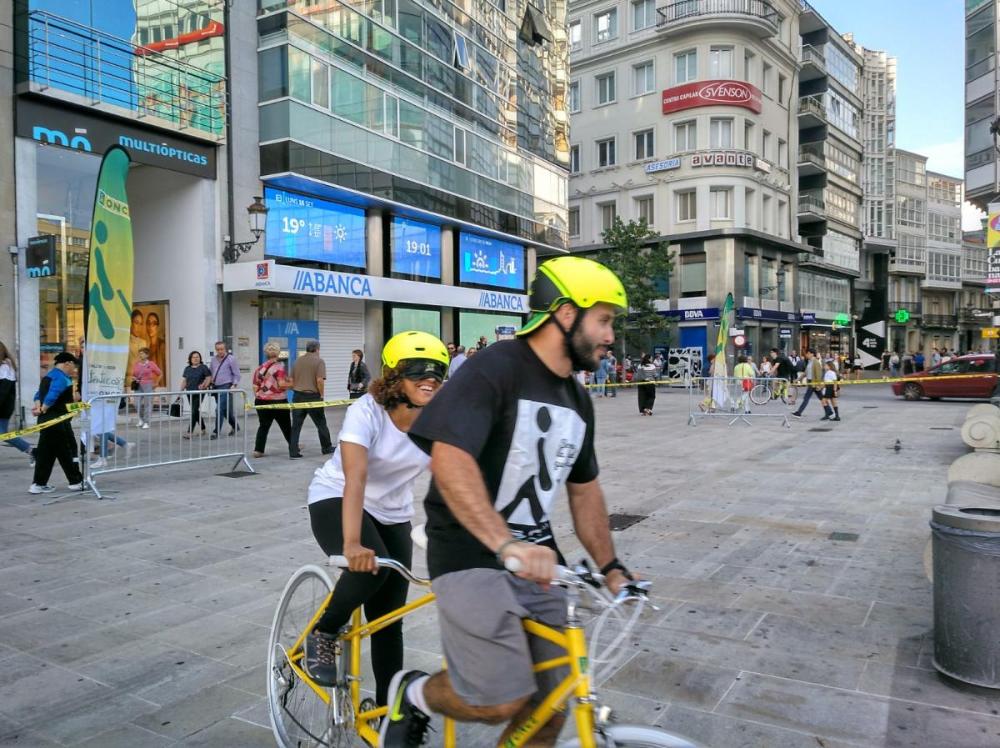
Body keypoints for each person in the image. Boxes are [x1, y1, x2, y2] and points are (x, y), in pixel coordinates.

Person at [380, 256, 636, 747]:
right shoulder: (497, 367)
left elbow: (584, 490)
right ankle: (413, 694)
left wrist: (611, 565)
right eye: (603, 320)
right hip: (471, 552)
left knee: (551, 705)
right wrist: (504, 544)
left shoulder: (578, 400)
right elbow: (450, 458)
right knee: (497, 700)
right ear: (565, 314)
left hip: (537, 561)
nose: (609, 335)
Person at [303, 331, 448, 706]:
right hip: (336, 497)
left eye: (437, 371)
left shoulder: (439, 421)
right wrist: (352, 544)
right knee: (372, 568)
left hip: (393, 511)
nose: (429, 378)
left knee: (389, 619)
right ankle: (322, 633)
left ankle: (387, 715)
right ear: (392, 375)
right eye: (417, 371)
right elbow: (356, 478)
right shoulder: (366, 411)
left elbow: (455, 483)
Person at [29, 352, 83, 494]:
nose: (74, 369)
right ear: (67, 363)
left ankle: (38, 484)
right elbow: (53, 395)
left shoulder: (49, 375)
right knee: (68, 450)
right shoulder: (62, 378)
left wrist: (39, 408)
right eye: (73, 366)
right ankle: (76, 481)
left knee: (45, 454)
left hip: (47, 422)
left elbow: (37, 395)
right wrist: (44, 408)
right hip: (58, 422)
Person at [289, 340, 333, 459]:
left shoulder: (297, 361)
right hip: (313, 396)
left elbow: (291, 381)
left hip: (297, 396)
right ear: (317, 349)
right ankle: (326, 447)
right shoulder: (319, 361)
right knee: (321, 423)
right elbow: (319, 380)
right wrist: (321, 394)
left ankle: (293, 451)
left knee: (296, 426)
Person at [252, 342, 291, 458]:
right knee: (286, 425)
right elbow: (282, 384)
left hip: (261, 401)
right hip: (278, 401)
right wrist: (293, 384)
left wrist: (261, 396)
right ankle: (293, 446)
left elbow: (255, 386)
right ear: (278, 353)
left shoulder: (260, 368)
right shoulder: (279, 367)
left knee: (263, 426)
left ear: (265, 353)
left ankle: (258, 450)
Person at [0, 341, 35, 463]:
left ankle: (32, 451)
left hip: (3, 408)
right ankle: (31, 451)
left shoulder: (5, 368)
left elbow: (3, 392)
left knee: (3, 434)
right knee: (3, 433)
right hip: (4, 407)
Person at [207, 341, 240, 439]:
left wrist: (234, 385)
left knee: (219, 409)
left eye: (222, 349)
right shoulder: (213, 359)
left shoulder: (231, 359)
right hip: (216, 387)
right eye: (218, 349)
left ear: (225, 349)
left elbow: (237, 374)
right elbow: (211, 372)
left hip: (226, 386)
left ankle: (216, 432)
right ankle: (235, 426)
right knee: (225, 410)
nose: (220, 351)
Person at [181, 351, 212, 438]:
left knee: (194, 411)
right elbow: (185, 380)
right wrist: (180, 391)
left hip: (199, 393)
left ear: (200, 358)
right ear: (190, 359)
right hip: (189, 392)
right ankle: (203, 428)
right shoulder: (187, 368)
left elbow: (208, 377)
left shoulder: (203, 367)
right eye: (193, 357)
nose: (195, 358)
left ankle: (189, 432)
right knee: (195, 411)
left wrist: (204, 385)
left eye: (197, 357)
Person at [130, 347, 162, 429]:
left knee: (148, 404)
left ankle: (146, 422)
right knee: (136, 403)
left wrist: (156, 383)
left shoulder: (151, 364)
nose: (140, 355)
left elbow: (160, 373)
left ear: (147, 355)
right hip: (138, 385)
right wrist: (133, 377)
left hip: (148, 384)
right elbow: (133, 374)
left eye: (142, 353)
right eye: (140, 353)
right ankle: (141, 419)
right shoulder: (136, 364)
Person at [790, 349, 824, 419]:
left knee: (806, 398)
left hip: (813, 382)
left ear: (812, 354)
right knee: (821, 398)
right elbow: (805, 373)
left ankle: (799, 412)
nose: (807, 355)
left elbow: (819, 374)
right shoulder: (810, 362)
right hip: (810, 382)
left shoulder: (816, 362)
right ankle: (829, 411)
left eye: (808, 353)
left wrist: (818, 384)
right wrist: (798, 379)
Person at [145, 311, 167, 375]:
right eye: (148, 323)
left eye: (154, 323)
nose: (151, 327)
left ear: (157, 326)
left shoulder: (162, 346)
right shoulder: (147, 348)